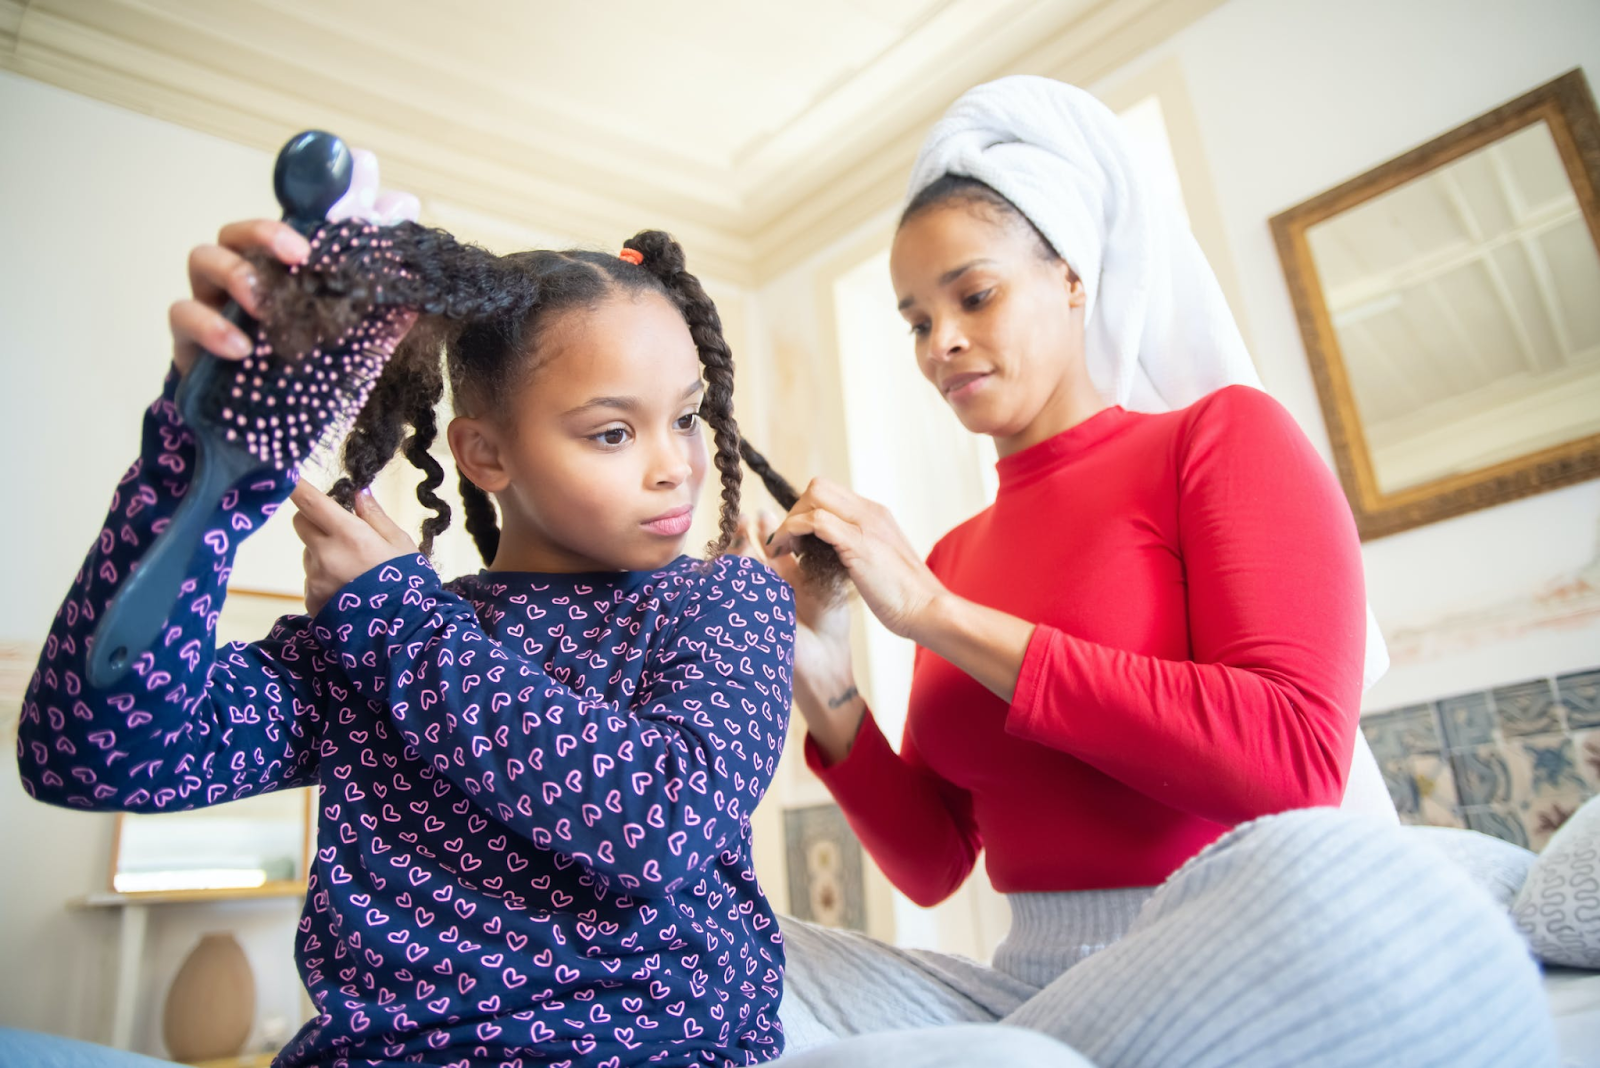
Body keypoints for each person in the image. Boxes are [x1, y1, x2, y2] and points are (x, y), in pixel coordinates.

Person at [744, 75, 1556, 1067]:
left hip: (1230, 946)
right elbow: (933, 864)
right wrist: (820, 667)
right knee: (723, 952)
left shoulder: (1217, 441)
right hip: (1025, 990)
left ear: (1073, 276)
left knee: (1372, 897)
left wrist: (938, 616)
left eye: (975, 294)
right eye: (915, 319)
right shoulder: (953, 555)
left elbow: (1295, 766)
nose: (939, 342)